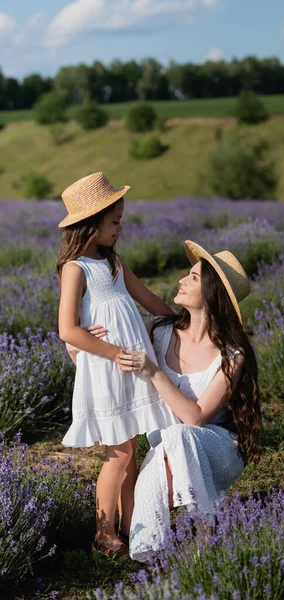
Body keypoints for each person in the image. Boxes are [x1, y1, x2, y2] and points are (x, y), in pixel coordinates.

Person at [115, 240, 262, 561]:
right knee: (154, 472)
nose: (181, 280)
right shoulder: (162, 333)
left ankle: (206, 530)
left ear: (212, 294)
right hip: (165, 449)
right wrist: (80, 344)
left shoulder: (231, 355)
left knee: (179, 433)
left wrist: (154, 372)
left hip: (217, 452)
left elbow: (195, 419)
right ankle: (151, 560)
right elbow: (118, 357)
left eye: (193, 277)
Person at [57, 172, 178, 559]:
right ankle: (103, 531)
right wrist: (111, 352)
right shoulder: (76, 268)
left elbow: (147, 298)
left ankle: (129, 526)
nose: (120, 228)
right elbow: (67, 330)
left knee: (131, 446)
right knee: (119, 453)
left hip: (132, 364)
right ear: (91, 225)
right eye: (114, 222)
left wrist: (181, 322)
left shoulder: (113, 262)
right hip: (110, 366)